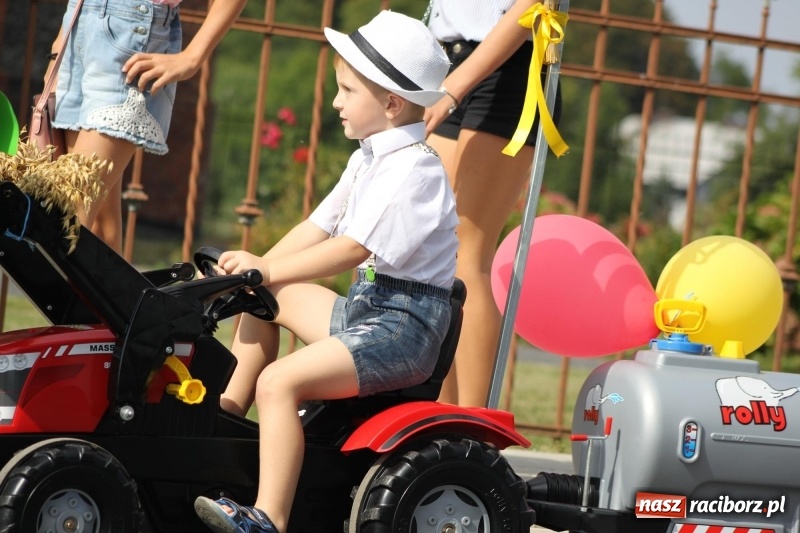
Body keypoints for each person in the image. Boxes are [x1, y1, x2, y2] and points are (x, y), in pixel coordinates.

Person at [193, 11, 457, 533]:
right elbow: (317, 227)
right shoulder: (368, 159)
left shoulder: (415, 168)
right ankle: (224, 419)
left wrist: (265, 267)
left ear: (391, 103)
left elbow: (351, 250)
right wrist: (245, 278)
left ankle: (268, 518)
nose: (336, 101)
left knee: (279, 382)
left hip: (403, 330)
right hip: (369, 311)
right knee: (263, 298)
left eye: (347, 90)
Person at [423, 0, 562, 407]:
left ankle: (471, 424)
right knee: (430, 251)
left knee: (466, 254)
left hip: (509, 65)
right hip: (446, 61)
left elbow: (534, 4)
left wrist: (452, 88)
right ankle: (436, 417)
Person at [46, 0, 247, 252]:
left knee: (68, 211)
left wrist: (192, 57)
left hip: (130, 33)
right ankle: (108, 282)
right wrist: (60, 41)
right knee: (97, 227)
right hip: (78, 23)